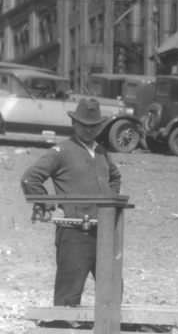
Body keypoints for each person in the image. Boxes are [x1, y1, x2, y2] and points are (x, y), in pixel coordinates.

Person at [21, 97, 122, 307]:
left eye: (93, 126)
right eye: (84, 125)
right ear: (74, 124)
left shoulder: (102, 152)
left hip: (103, 232)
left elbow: (115, 177)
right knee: (69, 290)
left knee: (113, 288)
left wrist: (110, 205)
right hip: (75, 232)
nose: (88, 130)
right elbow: (30, 178)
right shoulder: (62, 151)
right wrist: (49, 205)